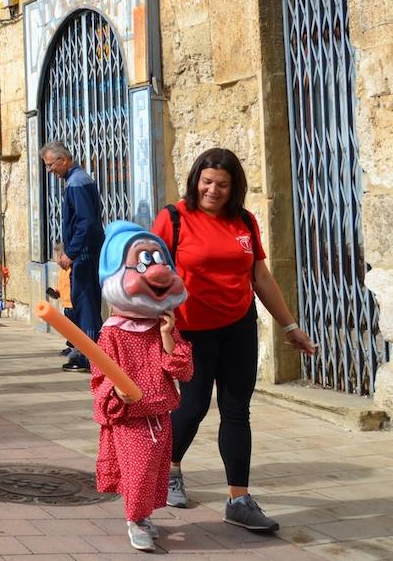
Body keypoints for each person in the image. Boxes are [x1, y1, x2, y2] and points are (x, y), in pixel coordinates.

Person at [150, 148, 316, 533]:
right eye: (207, 182)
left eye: (222, 184)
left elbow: (261, 278)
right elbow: (149, 271)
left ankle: (238, 500)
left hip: (238, 326)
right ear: (195, 181)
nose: (213, 190)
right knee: (191, 408)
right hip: (191, 329)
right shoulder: (173, 218)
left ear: (234, 186)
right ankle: (170, 468)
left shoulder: (244, 221)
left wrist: (291, 327)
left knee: (236, 410)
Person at [91, 221, 192, 552]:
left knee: (154, 470)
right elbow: (100, 373)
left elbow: (181, 368)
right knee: (138, 469)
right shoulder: (113, 332)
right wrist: (115, 391)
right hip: (131, 417)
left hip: (160, 412)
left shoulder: (163, 326)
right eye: (144, 261)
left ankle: (143, 515)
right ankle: (135, 520)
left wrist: (166, 335)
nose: (158, 271)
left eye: (159, 259)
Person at [41, 141, 105, 371]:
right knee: (82, 304)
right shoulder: (76, 180)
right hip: (85, 252)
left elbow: (85, 222)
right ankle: (85, 353)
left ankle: (90, 357)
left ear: (64, 160)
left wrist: (71, 251)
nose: (49, 170)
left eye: (50, 165)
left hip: (85, 254)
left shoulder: (77, 182)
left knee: (85, 305)